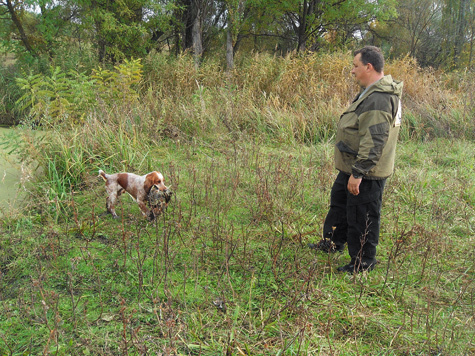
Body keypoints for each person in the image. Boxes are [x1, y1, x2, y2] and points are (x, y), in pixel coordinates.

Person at [309, 46, 403, 273]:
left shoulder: (379, 99)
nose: (352, 71)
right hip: (353, 165)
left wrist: (359, 173)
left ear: (368, 67)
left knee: (363, 215)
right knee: (340, 204)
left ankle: (363, 262)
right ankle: (333, 242)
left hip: (367, 172)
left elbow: (375, 140)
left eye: (355, 66)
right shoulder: (371, 92)